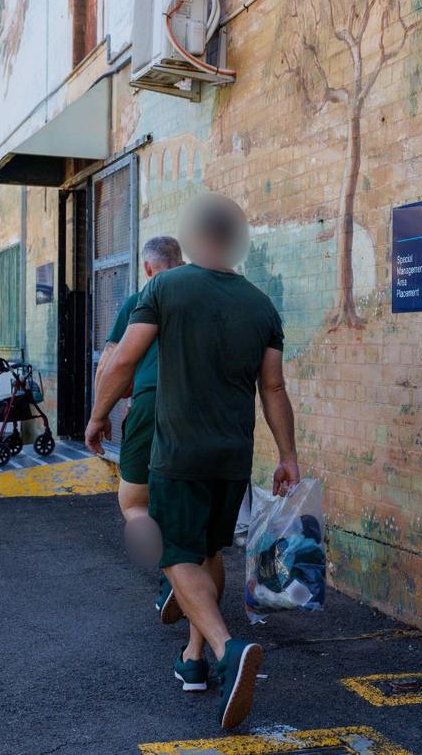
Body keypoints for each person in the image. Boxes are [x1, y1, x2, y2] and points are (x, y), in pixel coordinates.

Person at [86, 194, 299, 730]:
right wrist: (289, 456)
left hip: (179, 450)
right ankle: (195, 660)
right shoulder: (261, 305)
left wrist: (98, 414)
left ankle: (228, 649)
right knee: (207, 552)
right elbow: (273, 386)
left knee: (176, 554)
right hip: (233, 456)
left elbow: (125, 358)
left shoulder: (165, 287)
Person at [93, 237, 183, 579]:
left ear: (148, 268)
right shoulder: (203, 300)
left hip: (150, 405)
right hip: (202, 412)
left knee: (133, 502)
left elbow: (111, 363)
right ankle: (185, 571)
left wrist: (99, 414)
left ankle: (172, 570)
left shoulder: (141, 300)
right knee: (186, 504)